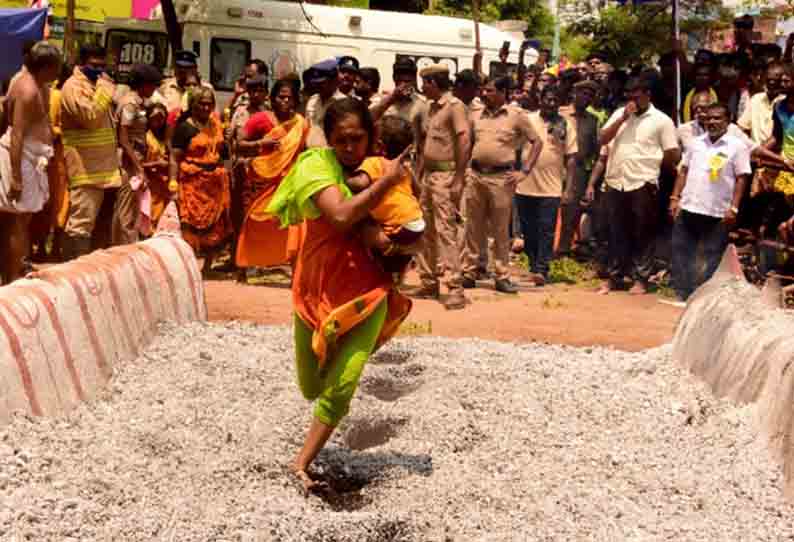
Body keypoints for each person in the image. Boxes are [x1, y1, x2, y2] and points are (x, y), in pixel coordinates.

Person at [264, 97, 412, 494]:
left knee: (343, 384)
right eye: (342, 140)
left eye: (358, 139)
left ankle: (302, 462)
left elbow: (409, 223)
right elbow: (342, 215)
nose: (350, 148)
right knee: (312, 387)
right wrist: (386, 185)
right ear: (329, 140)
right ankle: (323, 417)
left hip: (368, 294)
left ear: (371, 137)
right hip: (316, 292)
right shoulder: (315, 167)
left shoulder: (379, 168)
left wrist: (394, 242)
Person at [596, 76, 679, 295]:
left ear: (647, 94)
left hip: (643, 181)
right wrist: (622, 118)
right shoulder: (619, 114)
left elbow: (672, 153)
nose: (632, 100)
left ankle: (641, 278)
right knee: (615, 231)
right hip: (616, 180)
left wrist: (659, 169)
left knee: (643, 232)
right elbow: (603, 139)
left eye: (637, 95)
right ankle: (614, 277)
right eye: (629, 96)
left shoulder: (662, 121)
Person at [461, 76, 541, 293]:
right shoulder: (476, 115)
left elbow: (537, 142)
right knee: (473, 226)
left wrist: (524, 171)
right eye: (484, 90)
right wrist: (464, 171)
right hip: (476, 176)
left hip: (501, 179)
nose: (484, 94)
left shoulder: (516, 116)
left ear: (503, 92)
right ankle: (470, 271)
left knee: (500, 230)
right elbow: (468, 144)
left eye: (489, 90)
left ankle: (501, 275)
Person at [668, 103, 751, 305]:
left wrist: (734, 208)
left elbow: (742, 178)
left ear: (728, 121)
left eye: (717, 118)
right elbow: (684, 171)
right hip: (689, 206)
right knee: (681, 250)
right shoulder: (695, 143)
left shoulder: (737, 147)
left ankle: (703, 299)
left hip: (717, 211)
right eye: (709, 118)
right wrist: (674, 198)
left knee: (712, 255)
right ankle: (683, 294)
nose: (712, 122)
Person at [0, 41, 60, 283]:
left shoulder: (29, 82)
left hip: (29, 157)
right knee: (18, 221)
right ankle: (13, 276)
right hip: (21, 158)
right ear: (45, 67)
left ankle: (11, 273)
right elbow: (17, 134)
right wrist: (16, 176)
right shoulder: (27, 89)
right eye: (56, 67)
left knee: (19, 220)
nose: (58, 73)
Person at [413, 64, 470, 309]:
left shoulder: (454, 107)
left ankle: (455, 286)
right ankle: (429, 282)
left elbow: (464, 139)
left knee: (446, 230)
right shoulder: (430, 108)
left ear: (434, 83)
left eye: (425, 83)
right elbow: (424, 143)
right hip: (429, 176)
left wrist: (458, 177)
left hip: (445, 177)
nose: (422, 88)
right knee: (425, 229)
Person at [236, 78, 308, 269]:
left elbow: (304, 151)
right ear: (272, 98)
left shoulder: (300, 124)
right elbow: (239, 145)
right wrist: (261, 144)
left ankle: (288, 263)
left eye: (289, 98)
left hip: (289, 181)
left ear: (296, 100)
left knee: (290, 223)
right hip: (261, 180)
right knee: (254, 220)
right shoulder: (260, 119)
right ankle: (246, 265)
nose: (285, 101)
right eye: (281, 97)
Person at [61, 44, 122, 260]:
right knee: (80, 225)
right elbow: (90, 118)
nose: (99, 69)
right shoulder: (73, 87)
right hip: (86, 170)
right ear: (82, 63)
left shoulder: (95, 84)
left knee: (100, 227)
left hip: (105, 171)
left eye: (102, 65)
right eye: (94, 65)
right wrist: (105, 90)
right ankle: (71, 272)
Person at [515, 85, 577, 286]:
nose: (551, 103)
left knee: (547, 229)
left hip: (551, 186)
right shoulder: (528, 120)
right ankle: (534, 266)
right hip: (525, 185)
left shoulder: (565, 124)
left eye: (555, 100)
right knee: (528, 229)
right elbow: (515, 148)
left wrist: (569, 188)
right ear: (540, 100)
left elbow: (572, 158)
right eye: (548, 99)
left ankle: (542, 269)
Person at [346, 114, 424, 272]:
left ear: (379, 146)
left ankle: (389, 249)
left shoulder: (374, 162)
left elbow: (359, 183)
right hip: (416, 222)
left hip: (399, 225)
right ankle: (399, 258)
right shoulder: (403, 167)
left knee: (363, 226)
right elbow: (418, 191)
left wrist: (343, 177)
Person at [170, 87, 232, 274]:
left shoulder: (216, 125)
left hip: (214, 182)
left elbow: (224, 153)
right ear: (193, 105)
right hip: (192, 183)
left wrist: (228, 170)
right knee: (190, 224)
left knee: (216, 226)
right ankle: (188, 268)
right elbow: (174, 157)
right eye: (202, 103)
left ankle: (208, 266)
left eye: (209, 104)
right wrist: (172, 181)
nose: (206, 108)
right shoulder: (184, 128)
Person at [225, 75, 271, 277]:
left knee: (258, 214)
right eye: (252, 91)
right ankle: (238, 259)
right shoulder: (240, 113)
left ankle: (257, 260)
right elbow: (233, 142)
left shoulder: (269, 114)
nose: (256, 94)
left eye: (260, 90)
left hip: (261, 171)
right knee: (239, 215)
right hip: (241, 169)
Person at [116, 63, 164, 245]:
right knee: (126, 210)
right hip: (128, 163)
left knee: (132, 208)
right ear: (142, 84)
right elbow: (123, 137)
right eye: (152, 84)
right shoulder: (130, 103)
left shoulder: (139, 102)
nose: (154, 89)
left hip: (135, 160)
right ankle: (122, 250)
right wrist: (138, 168)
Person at [558, 80, 600, 257]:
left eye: (590, 95)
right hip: (556, 165)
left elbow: (594, 149)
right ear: (575, 92)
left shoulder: (593, 120)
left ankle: (563, 250)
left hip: (579, 170)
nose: (586, 98)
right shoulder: (560, 113)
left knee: (571, 210)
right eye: (583, 93)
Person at [141, 103, 172, 232]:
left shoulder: (166, 137)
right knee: (150, 220)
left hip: (164, 185)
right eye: (154, 117)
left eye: (161, 117)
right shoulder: (144, 137)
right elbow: (138, 163)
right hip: (150, 185)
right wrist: (155, 164)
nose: (158, 121)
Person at [369, 58, 425, 125]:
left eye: (407, 81)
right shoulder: (379, 99)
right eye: (400, 81)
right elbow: (367, 120)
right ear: (394, 78)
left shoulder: (422, 103)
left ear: (414, 80)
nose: (403, 85)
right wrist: (391, 99)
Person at [305, 59, 345, 148]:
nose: (318, 86)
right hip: (311, 154)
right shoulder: (312, 101)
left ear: (334, 81)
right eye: (316, 83)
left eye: (322, 83)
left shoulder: (343, 103)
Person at [225, 58, 269, 123]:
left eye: (250, 76)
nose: (245, 79)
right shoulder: (241, 97)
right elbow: (224, 116)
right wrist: (236, 95)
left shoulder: (270, 102)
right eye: (245, 75)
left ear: (262, 76)